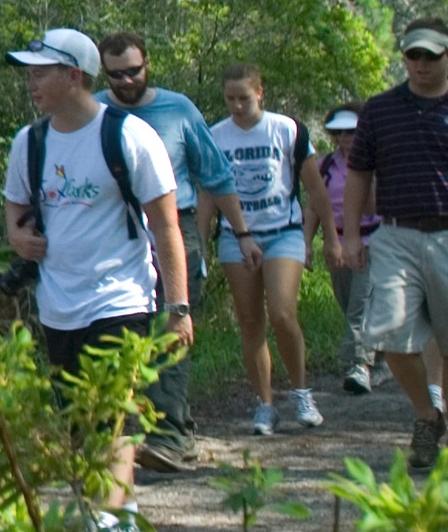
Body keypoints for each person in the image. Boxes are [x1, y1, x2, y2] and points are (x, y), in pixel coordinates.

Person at [3, 28, 192, 530]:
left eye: (41, 72)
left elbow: (167, 225)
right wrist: (19, 239)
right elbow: (15, 208)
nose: (31, 82)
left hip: (121, 299)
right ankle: (120, 514)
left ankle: (107, 521)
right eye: (29, 72)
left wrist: (178, 307)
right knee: (82, 423)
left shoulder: (128, 135)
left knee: (111, 416)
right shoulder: (30, 141)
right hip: (58, 304)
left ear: (73, 76)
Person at [95, 32, 262, 473]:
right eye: (117, 74)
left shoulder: (177, 109)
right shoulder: (96, 112)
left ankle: (168, 436)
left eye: (135, 70)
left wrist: (242, 234)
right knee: (123, 333)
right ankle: (160, 430)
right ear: (103, 73)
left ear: (148, 64)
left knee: (173, 326)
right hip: (114, 231)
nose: (128, 80)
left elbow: (216, 175)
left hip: (176, 225)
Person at [342, 18, 448, 469]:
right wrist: (350, 234)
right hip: (397, 233)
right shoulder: (381, 110)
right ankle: (428, 417)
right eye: (413, 56)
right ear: (404, 57)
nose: (420, 65)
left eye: (430, 56)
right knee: (389, 337)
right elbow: (359, 173)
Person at [207, 63, 338, 436]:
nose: (236, 106)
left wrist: (330, 236)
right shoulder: (216, 136)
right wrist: (197, 245)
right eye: (229, 99)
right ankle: (264, 404)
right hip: (236, 235)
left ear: (260, 93)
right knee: (250, 322)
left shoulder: (286, 129)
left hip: (283, 231)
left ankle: (301, 392)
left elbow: (315, 189)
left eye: (243, 98)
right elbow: (209, 194)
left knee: (282, 312)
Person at [304, 102, 391, 396]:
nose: (346, 138)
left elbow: (379, 205)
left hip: (374, 240)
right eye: (339, 132)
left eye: (352, 131)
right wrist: (307, 243)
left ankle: (359, 366)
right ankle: (381, 359)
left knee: (360, 305)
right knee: (348, 301)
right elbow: (315, 206)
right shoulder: (325, 167)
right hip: (337, 242)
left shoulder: (379, 163)